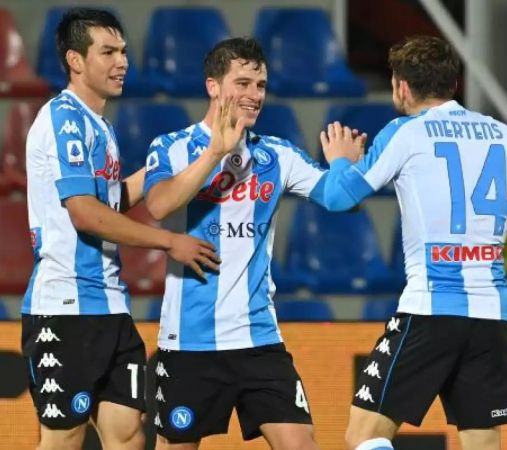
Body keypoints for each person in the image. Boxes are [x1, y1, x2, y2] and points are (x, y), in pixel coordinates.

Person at [318, 36, 507, 450]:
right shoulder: (502, 135)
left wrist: (339, 161)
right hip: (491, 316)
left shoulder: (404, 133)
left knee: (363, 436)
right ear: (454, 85)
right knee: (481, 442)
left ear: (402, 87)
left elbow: (337, 198)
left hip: (430, 309)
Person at [142, 37, 364, 450]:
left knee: (301, 444)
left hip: (259, 339)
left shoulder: (275, 156)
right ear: (213, 86)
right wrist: (214, 154)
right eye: (242, 83)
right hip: (189, 341)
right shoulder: (172, 147)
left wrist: (342, 166)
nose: (253, 95)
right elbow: (158, 204)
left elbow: (339, 199)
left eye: (260, 85)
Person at [21, 9, 219, 450]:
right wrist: (169, 240)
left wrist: (170, 170)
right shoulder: (64, 119)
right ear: (75, 60)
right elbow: (87, 214)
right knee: (63, 439)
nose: (122, 62)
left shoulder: (101, 127)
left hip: (110, 306)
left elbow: (110, 201)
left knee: (128, 434)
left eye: (124, 51)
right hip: (65, 307)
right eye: (108, 51)